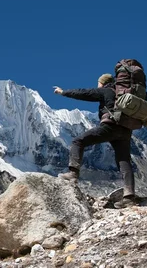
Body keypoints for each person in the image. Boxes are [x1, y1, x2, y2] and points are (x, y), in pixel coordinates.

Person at [53, 73, 136, 208]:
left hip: (110, 126)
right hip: (125, 130)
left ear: (102, 82)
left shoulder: (106, 91)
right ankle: (129, 198)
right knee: (124, 160)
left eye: (98, 82)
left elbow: (84, 93)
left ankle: (73, 174)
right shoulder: (121, 94)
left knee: (78, 141)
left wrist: (63, 92)